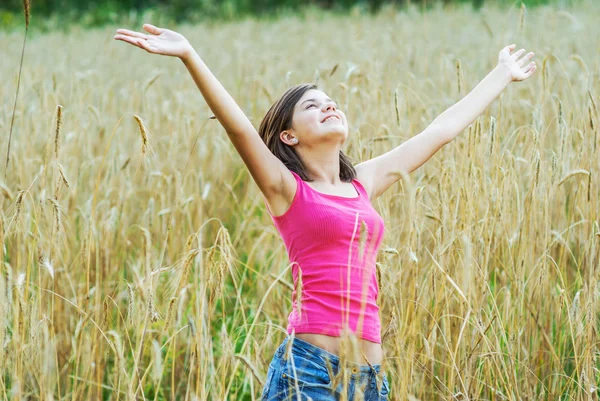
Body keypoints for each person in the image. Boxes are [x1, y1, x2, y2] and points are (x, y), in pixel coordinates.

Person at [114, 23, 536, 401]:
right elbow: (239, 127)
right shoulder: (287, 190)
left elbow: (438, 132)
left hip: (370, 380)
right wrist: (189, 54)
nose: (329, 106)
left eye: (331, 101)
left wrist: (501, 74)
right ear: (289, 135)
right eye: (313, 106)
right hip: (309, 373)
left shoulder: (362, 185)